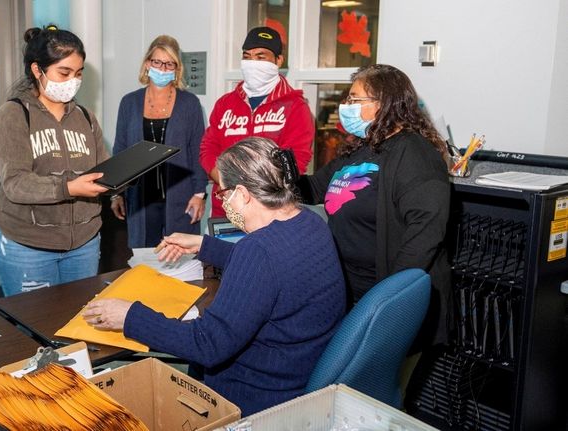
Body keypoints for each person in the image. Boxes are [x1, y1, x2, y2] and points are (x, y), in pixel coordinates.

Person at [83, 137, 345, 416]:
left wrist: (129, 316)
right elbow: (277, 273)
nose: (223, 200)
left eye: (223, 192)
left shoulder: (257, 251)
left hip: (256, 394)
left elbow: (207, 345)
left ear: (243, 194)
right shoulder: (310, 222)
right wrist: (205, 246)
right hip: (298, 373)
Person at [297, 64, 452, 347]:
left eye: (355, 100)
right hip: (349, 292)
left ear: (385, 103)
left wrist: (387, 299)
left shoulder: (414, 152)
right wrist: (278, 172)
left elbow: (426, 230)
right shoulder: (360, 149)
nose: (347, 106)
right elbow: (312, 190)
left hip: (384, 300)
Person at [0, 25, 109, 297]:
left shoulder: (86, 117)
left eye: (78, 74)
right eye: (64, 73)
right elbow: (16, 184)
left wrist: (122, 180)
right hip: (29, 246)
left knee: (78, 320)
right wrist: (69, 187)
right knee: (35, 327)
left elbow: (103, 168)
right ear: (37, 70)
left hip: (84, 242)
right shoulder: (13, 115)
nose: (73, 81)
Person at [200, 26, 314, 218]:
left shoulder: (295, 106)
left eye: (261, 57)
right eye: (247, 56)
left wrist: (257, 194)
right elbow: (209, 147)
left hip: (270, 212)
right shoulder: (225, 103)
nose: (252, 63)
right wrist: (224, 181)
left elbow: (296, 161)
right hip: (226, 209)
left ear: (279, 60)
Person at [110, 35, 208, 247]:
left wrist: (200, 194)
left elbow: (198, 151)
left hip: (181, 198)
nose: (162, 68)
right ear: (147, 64)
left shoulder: (190, 103)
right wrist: (116, 194)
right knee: (145, 262)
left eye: (169, 63)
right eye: (157, 62)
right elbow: (120, 150)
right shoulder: (129, 103)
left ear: (177, 68)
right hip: (141, 199)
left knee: (179, 258)